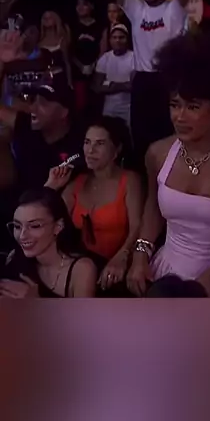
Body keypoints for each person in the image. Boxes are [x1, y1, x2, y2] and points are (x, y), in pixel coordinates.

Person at [126, 31, 210, 298]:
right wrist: (140, 256)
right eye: (175, 105)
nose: (180, 116)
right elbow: (153, 209)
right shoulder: (157, 154)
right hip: (164, 273)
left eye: (193, 107)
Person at [92, 0, 188, 164]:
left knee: (168, 140)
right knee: (141, 142)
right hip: (143, 82)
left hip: (167, 79)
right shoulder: (137, 10)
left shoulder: (174, 9)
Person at [46, 116, 143, 292]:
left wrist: (122, 256)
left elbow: (137, 226)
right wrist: (51, 187)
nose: (90, 150)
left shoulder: (130, 181)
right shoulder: (78, 182)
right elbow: (46, 219)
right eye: (87, 142)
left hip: (118, 264)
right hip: (83, 264)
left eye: (100, 143)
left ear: (117, 149)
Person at [0, 58, 83, 192]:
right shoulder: (28, 125)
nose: (33, 108)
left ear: (64, 112)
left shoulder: (80, 145)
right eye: (34, 101)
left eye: (43, 103)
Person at [0, 188, 96, 298]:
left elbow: (84, 310)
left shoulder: (82, 269)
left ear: (58, 226)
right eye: (17, 226)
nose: (22, 236)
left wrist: (36, 302)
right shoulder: (17, 260)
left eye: (35, 226)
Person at [92, 24, 135, 130]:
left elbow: (132, 86)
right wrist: (123, 85)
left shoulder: (134, 58)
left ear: (127, 39)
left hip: (129, 108)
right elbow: (97, 87)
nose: (117, 41)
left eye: (121, 37)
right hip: (109, 108)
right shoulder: (105, 58)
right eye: (114, 37)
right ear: (110, 40)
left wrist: (110, 84)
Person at [71, 0, 102, 113]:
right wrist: (81, 67)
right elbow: (69, 51)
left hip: (97, 71)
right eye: (78, 4)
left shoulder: (100, 26)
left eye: (84, 4)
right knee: (80, 107)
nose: (80, 7)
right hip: (78, 73)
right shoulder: (71, 26)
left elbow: (103, 49)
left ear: (91, 6)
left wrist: (93, 65)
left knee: (96, 106)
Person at [39, 10, 72, 83]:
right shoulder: (39, 40)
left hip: (59, 77)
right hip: (44, 79)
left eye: (50, 18)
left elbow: (67, 62)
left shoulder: (61, 39)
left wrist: (69, 82)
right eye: (45, 18)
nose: (47, 20)